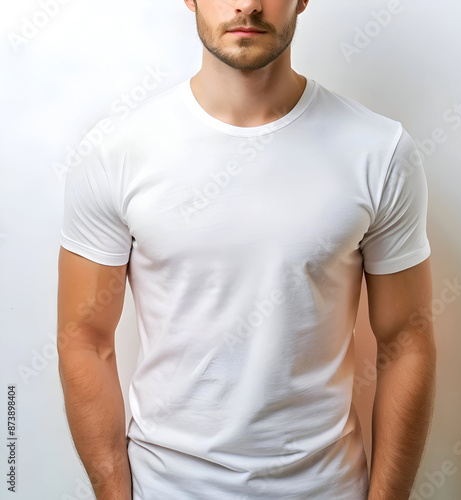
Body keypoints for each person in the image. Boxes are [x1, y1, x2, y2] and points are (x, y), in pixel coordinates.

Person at [57, 0, 437, 499]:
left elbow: (406, 342)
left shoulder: (380, 151)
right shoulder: (117, 154)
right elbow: (84, 338)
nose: (247, 5)